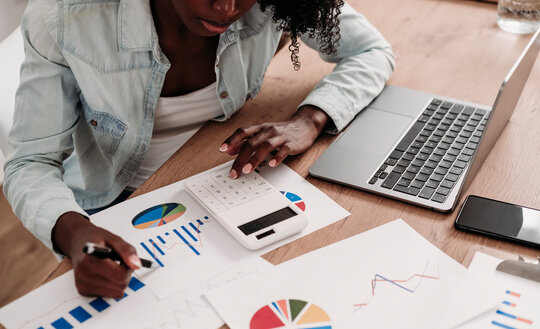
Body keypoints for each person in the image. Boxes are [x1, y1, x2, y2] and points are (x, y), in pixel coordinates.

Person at [3, 0, 394, 298]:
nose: (226, 9)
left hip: (219, 177)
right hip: (114, 203)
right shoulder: (65, 19)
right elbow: (29, 163)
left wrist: (309, 118)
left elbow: (371, 51)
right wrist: (74, 232)